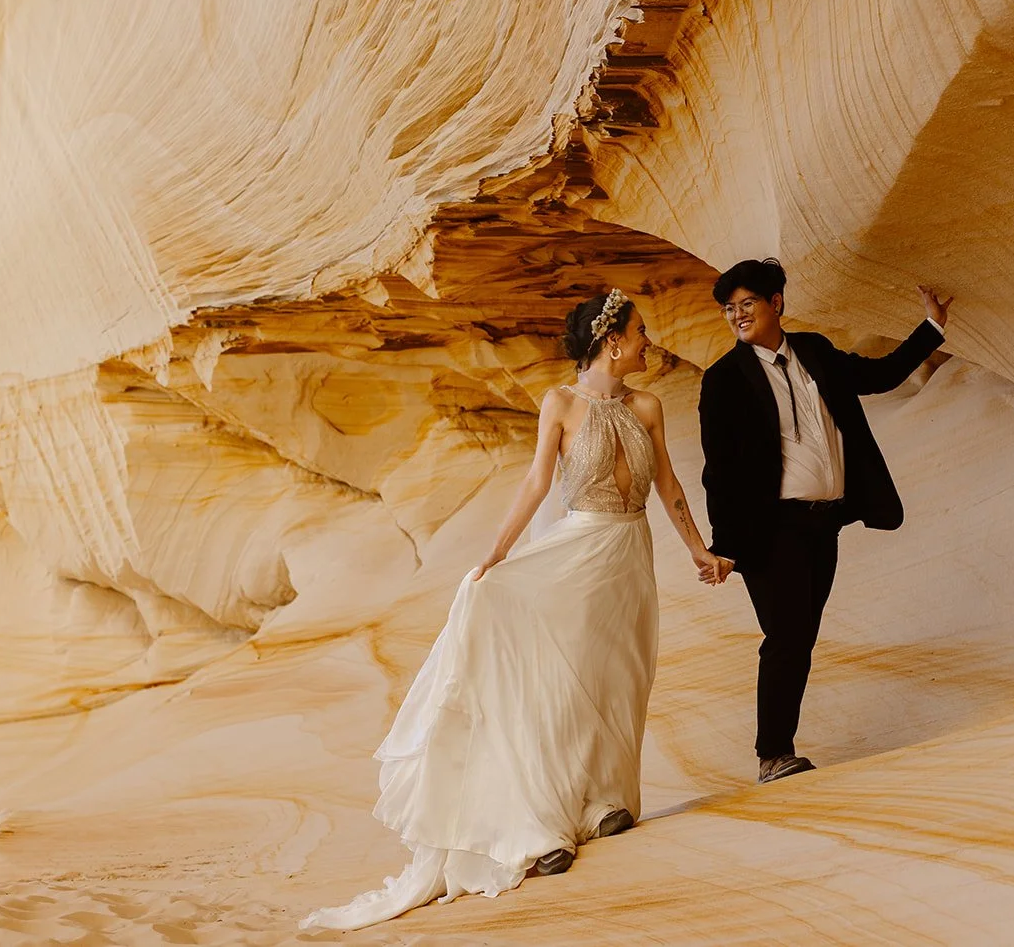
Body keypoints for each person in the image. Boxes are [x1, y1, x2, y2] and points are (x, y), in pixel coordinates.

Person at [303, 289, 726, 930]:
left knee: (620, 680)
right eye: (640, 332)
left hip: (629, 560)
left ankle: (604, 803)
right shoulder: (558, 404)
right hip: (575, 554)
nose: (649, 342)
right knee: (561, 684)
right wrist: (494, 558)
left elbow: (668, 484)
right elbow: (535, 483)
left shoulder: (647, 406)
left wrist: (700, 551)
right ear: (612, 341)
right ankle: (542, 823)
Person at [696, 259, 950, 784]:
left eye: (747, 303)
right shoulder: (723, 380)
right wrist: (724, 546)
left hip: (823, 524)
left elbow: (877, 377)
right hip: (770, 531)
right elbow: (717, 470)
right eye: (729, 308)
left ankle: (778, 748)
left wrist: (932, 328)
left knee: (800, 635)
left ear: (776, 303)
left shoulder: (814, 351)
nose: (737, 315)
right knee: (786, 636)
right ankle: (773, 755)